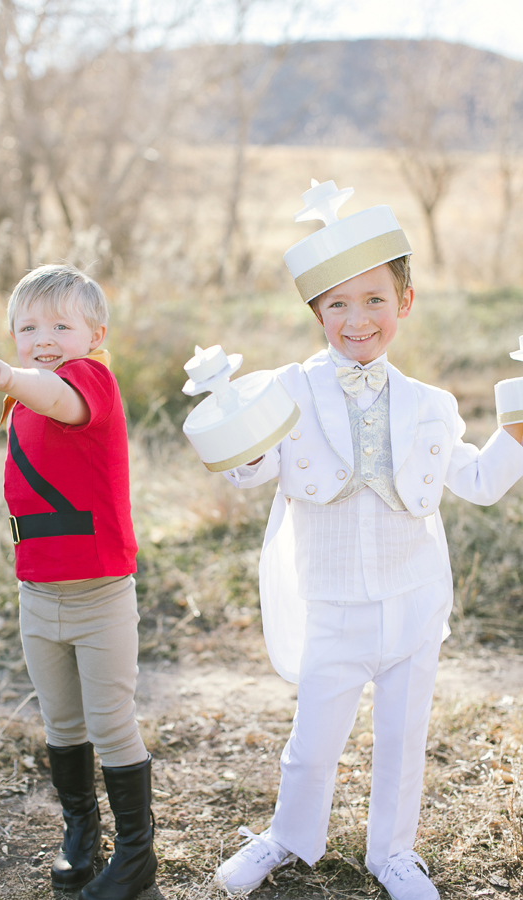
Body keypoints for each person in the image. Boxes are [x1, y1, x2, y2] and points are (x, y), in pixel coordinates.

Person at [212, 181, 523, 900]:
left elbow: (476, 482)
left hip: (415, 601)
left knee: (403, 738)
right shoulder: (286, 393)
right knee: (312, 745)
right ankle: (291, 836)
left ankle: (393, 853)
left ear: (404, 303)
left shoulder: (431, 405)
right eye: (339, 305)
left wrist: (515, 432)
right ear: (317, 311)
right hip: (333, 606)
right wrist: (245, 447)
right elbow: (252, 472)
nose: (358, 319)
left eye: (375, 300)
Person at [0, 264, 157, 900]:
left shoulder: (87, 381)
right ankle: (82, 831)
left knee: (110, 722)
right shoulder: (25, 397)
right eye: (29, 326)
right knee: (61, 721)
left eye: (62, 325)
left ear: (95, 333)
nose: (45, 335)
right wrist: (17, 384)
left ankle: (136, 859)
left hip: (99, 593)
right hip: (37, 592)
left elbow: (57, 396)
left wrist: (14, 375)